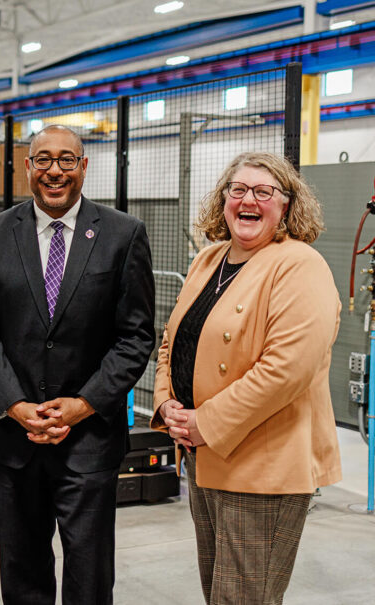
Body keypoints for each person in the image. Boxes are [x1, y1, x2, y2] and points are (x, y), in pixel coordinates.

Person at [0, 125, 155, 605]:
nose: (55, 170)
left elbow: (136, 337)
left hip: (89, 440)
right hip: (16, 438)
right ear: (28, 168)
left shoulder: (123, 234)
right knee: (22, 570)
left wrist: (84, 404)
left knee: (89, 575)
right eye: (43, 159)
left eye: (67, 160)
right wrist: (16, 405)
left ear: (84, 167)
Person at [152, 151, 342, 604]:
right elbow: (171, 340)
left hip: (262, 464)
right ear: (223, 201)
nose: (248, 200)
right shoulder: (209, 259)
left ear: (287, 205)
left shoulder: (299, 264)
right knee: (218, 592)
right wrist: (166, 405)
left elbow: (286, 369)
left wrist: (206, 422)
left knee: (243, 598)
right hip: (203, 456)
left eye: (263, 192)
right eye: (237, 190)